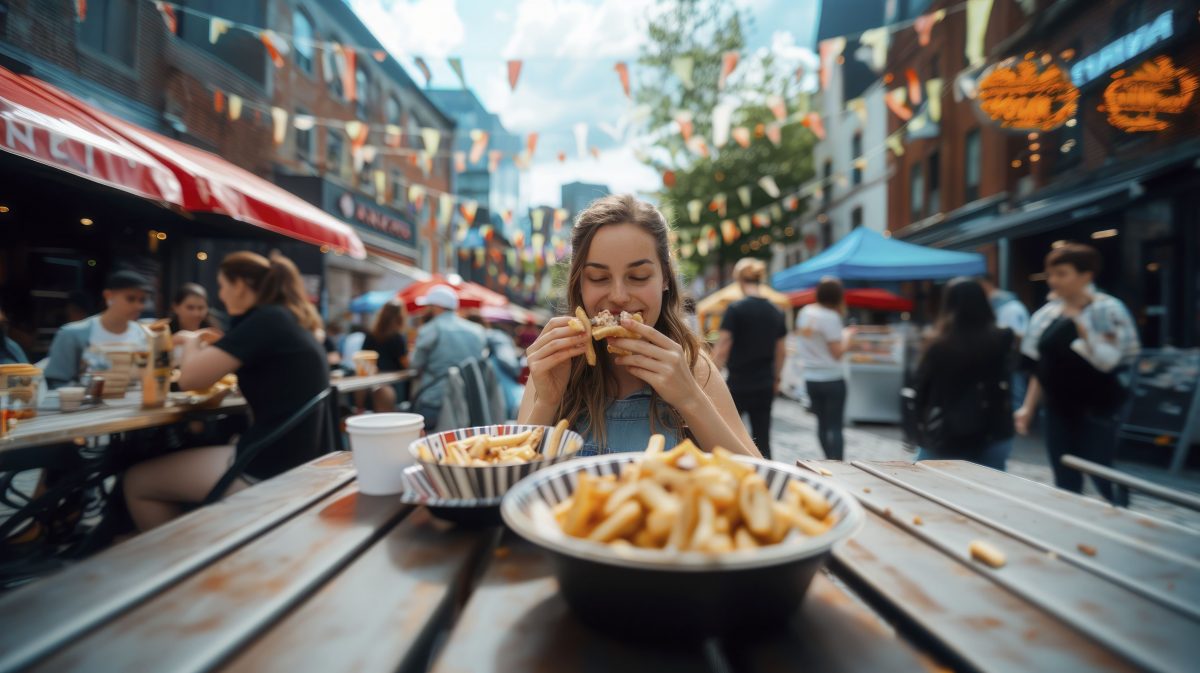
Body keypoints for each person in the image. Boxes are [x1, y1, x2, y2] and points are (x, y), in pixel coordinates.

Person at [517, 194, 760, 457]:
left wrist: (690, 399)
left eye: (638, 276)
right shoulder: (554, 364)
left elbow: (761, 482)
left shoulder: (692, 365)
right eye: (599, 278)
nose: (619, 296)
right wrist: (547, 403)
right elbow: (510, 482)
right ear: (579, 283)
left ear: (665, 278)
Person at [123, 251, 329, 531]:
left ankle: (179, 566)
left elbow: (189, 379)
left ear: (240, 285)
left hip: (266, 466)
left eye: (222, 286)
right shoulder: (288, 320)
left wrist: (191, 341)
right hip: (296, 459)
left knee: (137, 482)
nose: (220, 296)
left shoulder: (264, 320)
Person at [1015, 243, 1138, 506]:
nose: (1053, 280)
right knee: (1064, 474)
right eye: (1051, 274)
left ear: (1086, 275)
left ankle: (1123, 517)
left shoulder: (1106, 310)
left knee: (1099, 469)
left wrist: (1085, 333)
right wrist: (1028, 407)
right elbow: (1040, 365)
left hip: (1099, 406)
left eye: (1062, 273)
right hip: (1058, 406)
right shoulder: (1046, 315)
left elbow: (1109, 362)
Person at [913, 278, 1015, 470]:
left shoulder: (939, 344)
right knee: (991, 488)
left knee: (932, 485)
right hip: (995, 425)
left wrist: (919, 427)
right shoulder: (1003, 338)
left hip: (948, 428)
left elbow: (923, 390)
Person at [712, 258, 787, 459]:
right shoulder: (776, 311)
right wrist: (777, 378)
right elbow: (781, 351)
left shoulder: (736, 309)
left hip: (738, 382)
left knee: (731, 435)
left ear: (738, 280)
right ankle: (766, 479)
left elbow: (723, 346)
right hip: (765, 382)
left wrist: (711, 375)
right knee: (763, 438)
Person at [44, 270, 151, 388]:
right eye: (130, 299)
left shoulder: (144, 334)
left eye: (142, 300)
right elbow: (57, 383)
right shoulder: (72, 334)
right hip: (88, 405)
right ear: (108, 296)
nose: (138, 306)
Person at [410, 285, 487, 430]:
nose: (426, 310)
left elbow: (414, 363)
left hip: (435, 399)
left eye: (429, 306)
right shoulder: (477, 331)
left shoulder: (430, 329)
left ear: (437, 306)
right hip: (469, 400)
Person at [795, 277, 850, 460]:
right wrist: (848, 337)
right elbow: (837, 352)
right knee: (835, 426)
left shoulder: (804, 312)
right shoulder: (831, 317)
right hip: (832, 378)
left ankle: (828, 459)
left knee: (822, 424)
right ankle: (838, 465)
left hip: (811, 378)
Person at [980, 274, 1030, 413]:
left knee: (1016, 393)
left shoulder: (1010, 308)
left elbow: (1018, 335)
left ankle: (1018, 426)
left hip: (1012, 358)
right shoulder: (998, 306)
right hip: (1008, 358)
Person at [466, 312, 523, 420]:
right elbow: (509, 361)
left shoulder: (469, 341)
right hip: (505, 391)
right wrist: (516, 370)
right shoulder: (496, 336)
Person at [360, 301, 409, 411]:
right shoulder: (397, 337)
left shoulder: (371, 334)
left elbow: (363, 357)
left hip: (374, 381)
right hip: (394, 382)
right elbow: (405, 363)